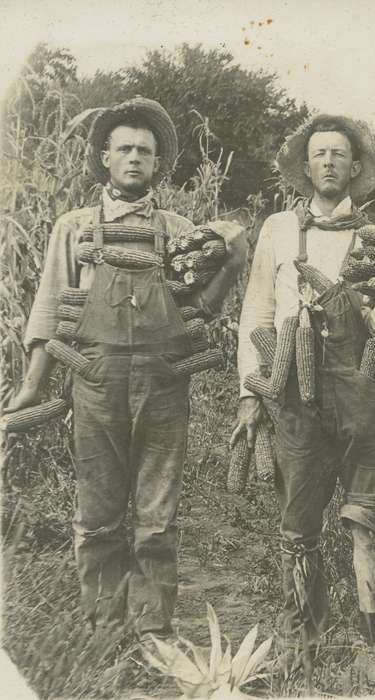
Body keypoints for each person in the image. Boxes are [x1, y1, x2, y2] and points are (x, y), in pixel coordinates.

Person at [5, 97, 247, 642]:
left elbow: (201, 310)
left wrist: (230, 266)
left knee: (158, 515)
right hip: (94, 378)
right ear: (105, 158)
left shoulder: (180, 227)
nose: (135, 157)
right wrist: (31, 386)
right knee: (98, 512)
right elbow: (48, 308)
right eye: (125, 149)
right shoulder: (74, 227)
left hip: (164, 381)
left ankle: (153, 626)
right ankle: (103, 625)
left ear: (157, 163)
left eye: (145, 150)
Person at [232, 114, 375, 658]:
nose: (328, 162)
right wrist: (250, 392)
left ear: (356, 167)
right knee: (298, 520)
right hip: (293, 388)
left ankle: (374, 636)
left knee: (367, 515)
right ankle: (306, 632)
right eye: (319, 153)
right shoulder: (276, 228)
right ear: (305, 166)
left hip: (362, 389)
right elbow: (258, 308)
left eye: (339, 154)